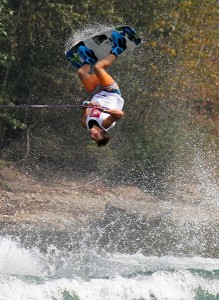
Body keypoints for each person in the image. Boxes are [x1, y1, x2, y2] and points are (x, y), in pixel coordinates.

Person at [66, 32, 127, 147]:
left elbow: (85, 108)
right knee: (98, 68)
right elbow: (120, 114)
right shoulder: (105, 124)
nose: (92, 136)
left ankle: (89, 58)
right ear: (101, 132)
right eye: (96, 136)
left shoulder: (86, 124)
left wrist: (86, 105)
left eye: (93, 138)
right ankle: (119, 47)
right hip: (111, 92)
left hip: (96, 92)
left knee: (81, 72)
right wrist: (103, 110)